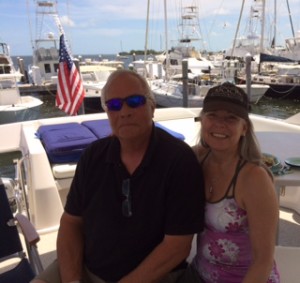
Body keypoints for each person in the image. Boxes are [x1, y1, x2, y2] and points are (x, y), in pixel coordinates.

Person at [32, 69, 205, 283]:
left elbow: (177, 246)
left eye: (134, 101)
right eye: (114, 105)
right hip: (86, 269)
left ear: (152, 107)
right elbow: (71, 223)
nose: (124, 112)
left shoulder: (178, 160)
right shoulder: (93, 156)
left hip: (154, 277)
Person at [181, 82, 280, 283]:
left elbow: (263, 261)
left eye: (231, 118)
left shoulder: (254, 178)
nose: (220, 124)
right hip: (200, 275)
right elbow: (161, 154)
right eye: (212, 115)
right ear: (202, 120)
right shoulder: (198, 158)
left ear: (244, 128)